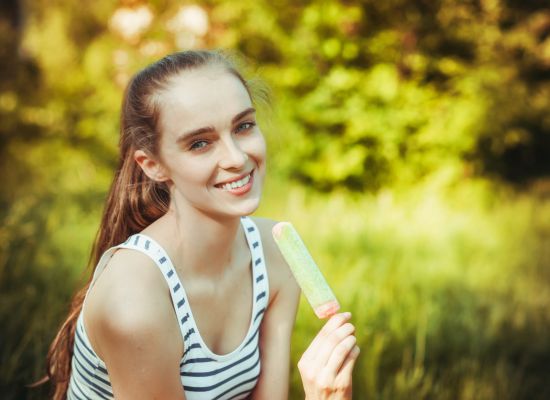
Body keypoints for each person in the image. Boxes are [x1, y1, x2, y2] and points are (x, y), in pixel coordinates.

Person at [43, 50, 360, 400]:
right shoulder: (134, 300)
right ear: (152, 165)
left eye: (243, 126)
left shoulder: (275, 255)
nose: (237, 158)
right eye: (200, 143)